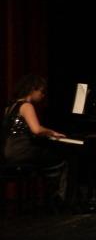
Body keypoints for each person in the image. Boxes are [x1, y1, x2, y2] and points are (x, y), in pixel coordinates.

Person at [2, 74, 69, 205]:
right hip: (22, 152)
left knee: (48, 156)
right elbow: (36, 130)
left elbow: (32, 126)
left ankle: (48, 196)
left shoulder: (10, 107)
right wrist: (51, 133)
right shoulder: (27, 106)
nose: (43, 95)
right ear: (32, 89)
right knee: (62, 159)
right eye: (41, 92)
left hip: (9, 153)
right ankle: (57, 199)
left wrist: (50, 131)